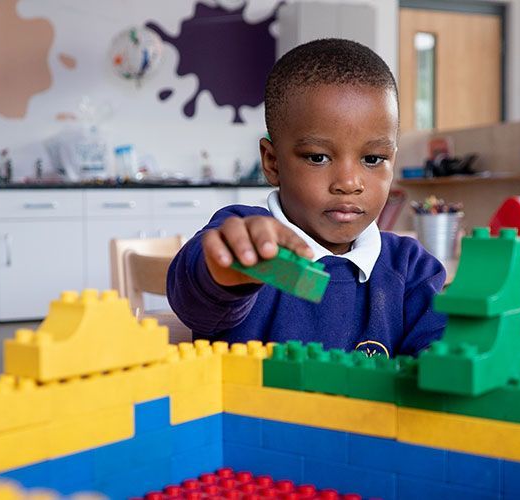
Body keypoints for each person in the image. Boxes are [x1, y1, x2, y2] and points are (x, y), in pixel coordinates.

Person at [167, 38, 446, 357]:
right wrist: (226, 275)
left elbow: (445, 363)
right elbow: (193, 295)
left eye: (372, 159)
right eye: (318, 158)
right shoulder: (246, 239)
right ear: (272, 162)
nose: (349, 183)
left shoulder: (411, 269)